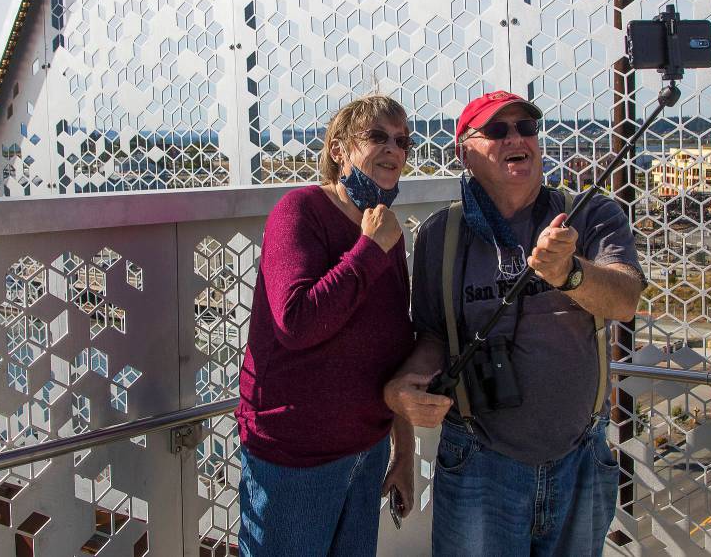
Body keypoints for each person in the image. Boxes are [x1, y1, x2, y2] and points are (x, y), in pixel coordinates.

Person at [384, 90, 645, 556]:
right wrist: (407, 385)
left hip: (580, 457)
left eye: (526, 128)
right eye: (497, 130)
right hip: (478, 461)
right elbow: (433, 336)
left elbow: (625, 298)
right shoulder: (439, 237)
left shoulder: (589, 214)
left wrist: (571, 273)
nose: (516, 138)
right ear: (464, 151)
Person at [236, 94, 417, 556]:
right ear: (339, 150)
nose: (393, 150)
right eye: (377, 137)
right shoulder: (300, 211)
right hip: (296, 459)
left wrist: (403, 450)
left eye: (402, 141)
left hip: (366, 451)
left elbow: (395, 348)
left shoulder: (385, 231)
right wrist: (369, 248)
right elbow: (296, 323)